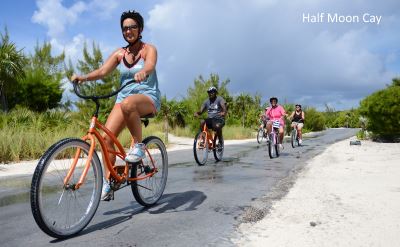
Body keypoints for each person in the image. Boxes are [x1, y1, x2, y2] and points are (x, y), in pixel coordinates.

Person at [71, 10, 161, 200]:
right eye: (125, 28)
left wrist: (144, 72)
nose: (128, 31)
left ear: (140, 29)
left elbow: (150, 65)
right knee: (105, 139)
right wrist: (83, 78)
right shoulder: (120, 53)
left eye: (132, 27)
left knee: (129, 104)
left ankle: (138, 146)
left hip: (147, 97)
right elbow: (103, 71)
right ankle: (108, 181)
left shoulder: (148, 49)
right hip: (123, 100)